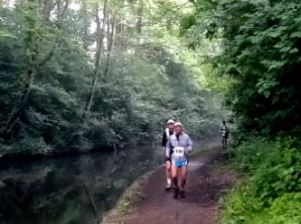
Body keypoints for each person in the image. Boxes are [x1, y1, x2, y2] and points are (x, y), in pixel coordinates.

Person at [166, 122, 193, 198]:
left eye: (179, 127)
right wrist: (167, 157)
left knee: (183, 177)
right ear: (174, 128)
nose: (177, 128)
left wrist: (187, 150)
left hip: (183, 159)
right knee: (174, 176)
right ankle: (176, 187)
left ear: (182, 128)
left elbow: (190, 145)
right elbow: (168, 147)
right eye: (176, 127)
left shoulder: (186, 136)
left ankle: (182, 189)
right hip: (174, 158)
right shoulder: (171, 137)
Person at [161, 119, 175, 190]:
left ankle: (175, 182)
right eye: (169, 124)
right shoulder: (165, 133)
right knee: (168, 167)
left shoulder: (177, 132)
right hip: (168, 152)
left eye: (172, 124)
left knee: (176, 167)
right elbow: (163, 144)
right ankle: (168, 183)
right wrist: (165, 152)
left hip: (176, 152)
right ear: (167, 125)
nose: (171, 125)